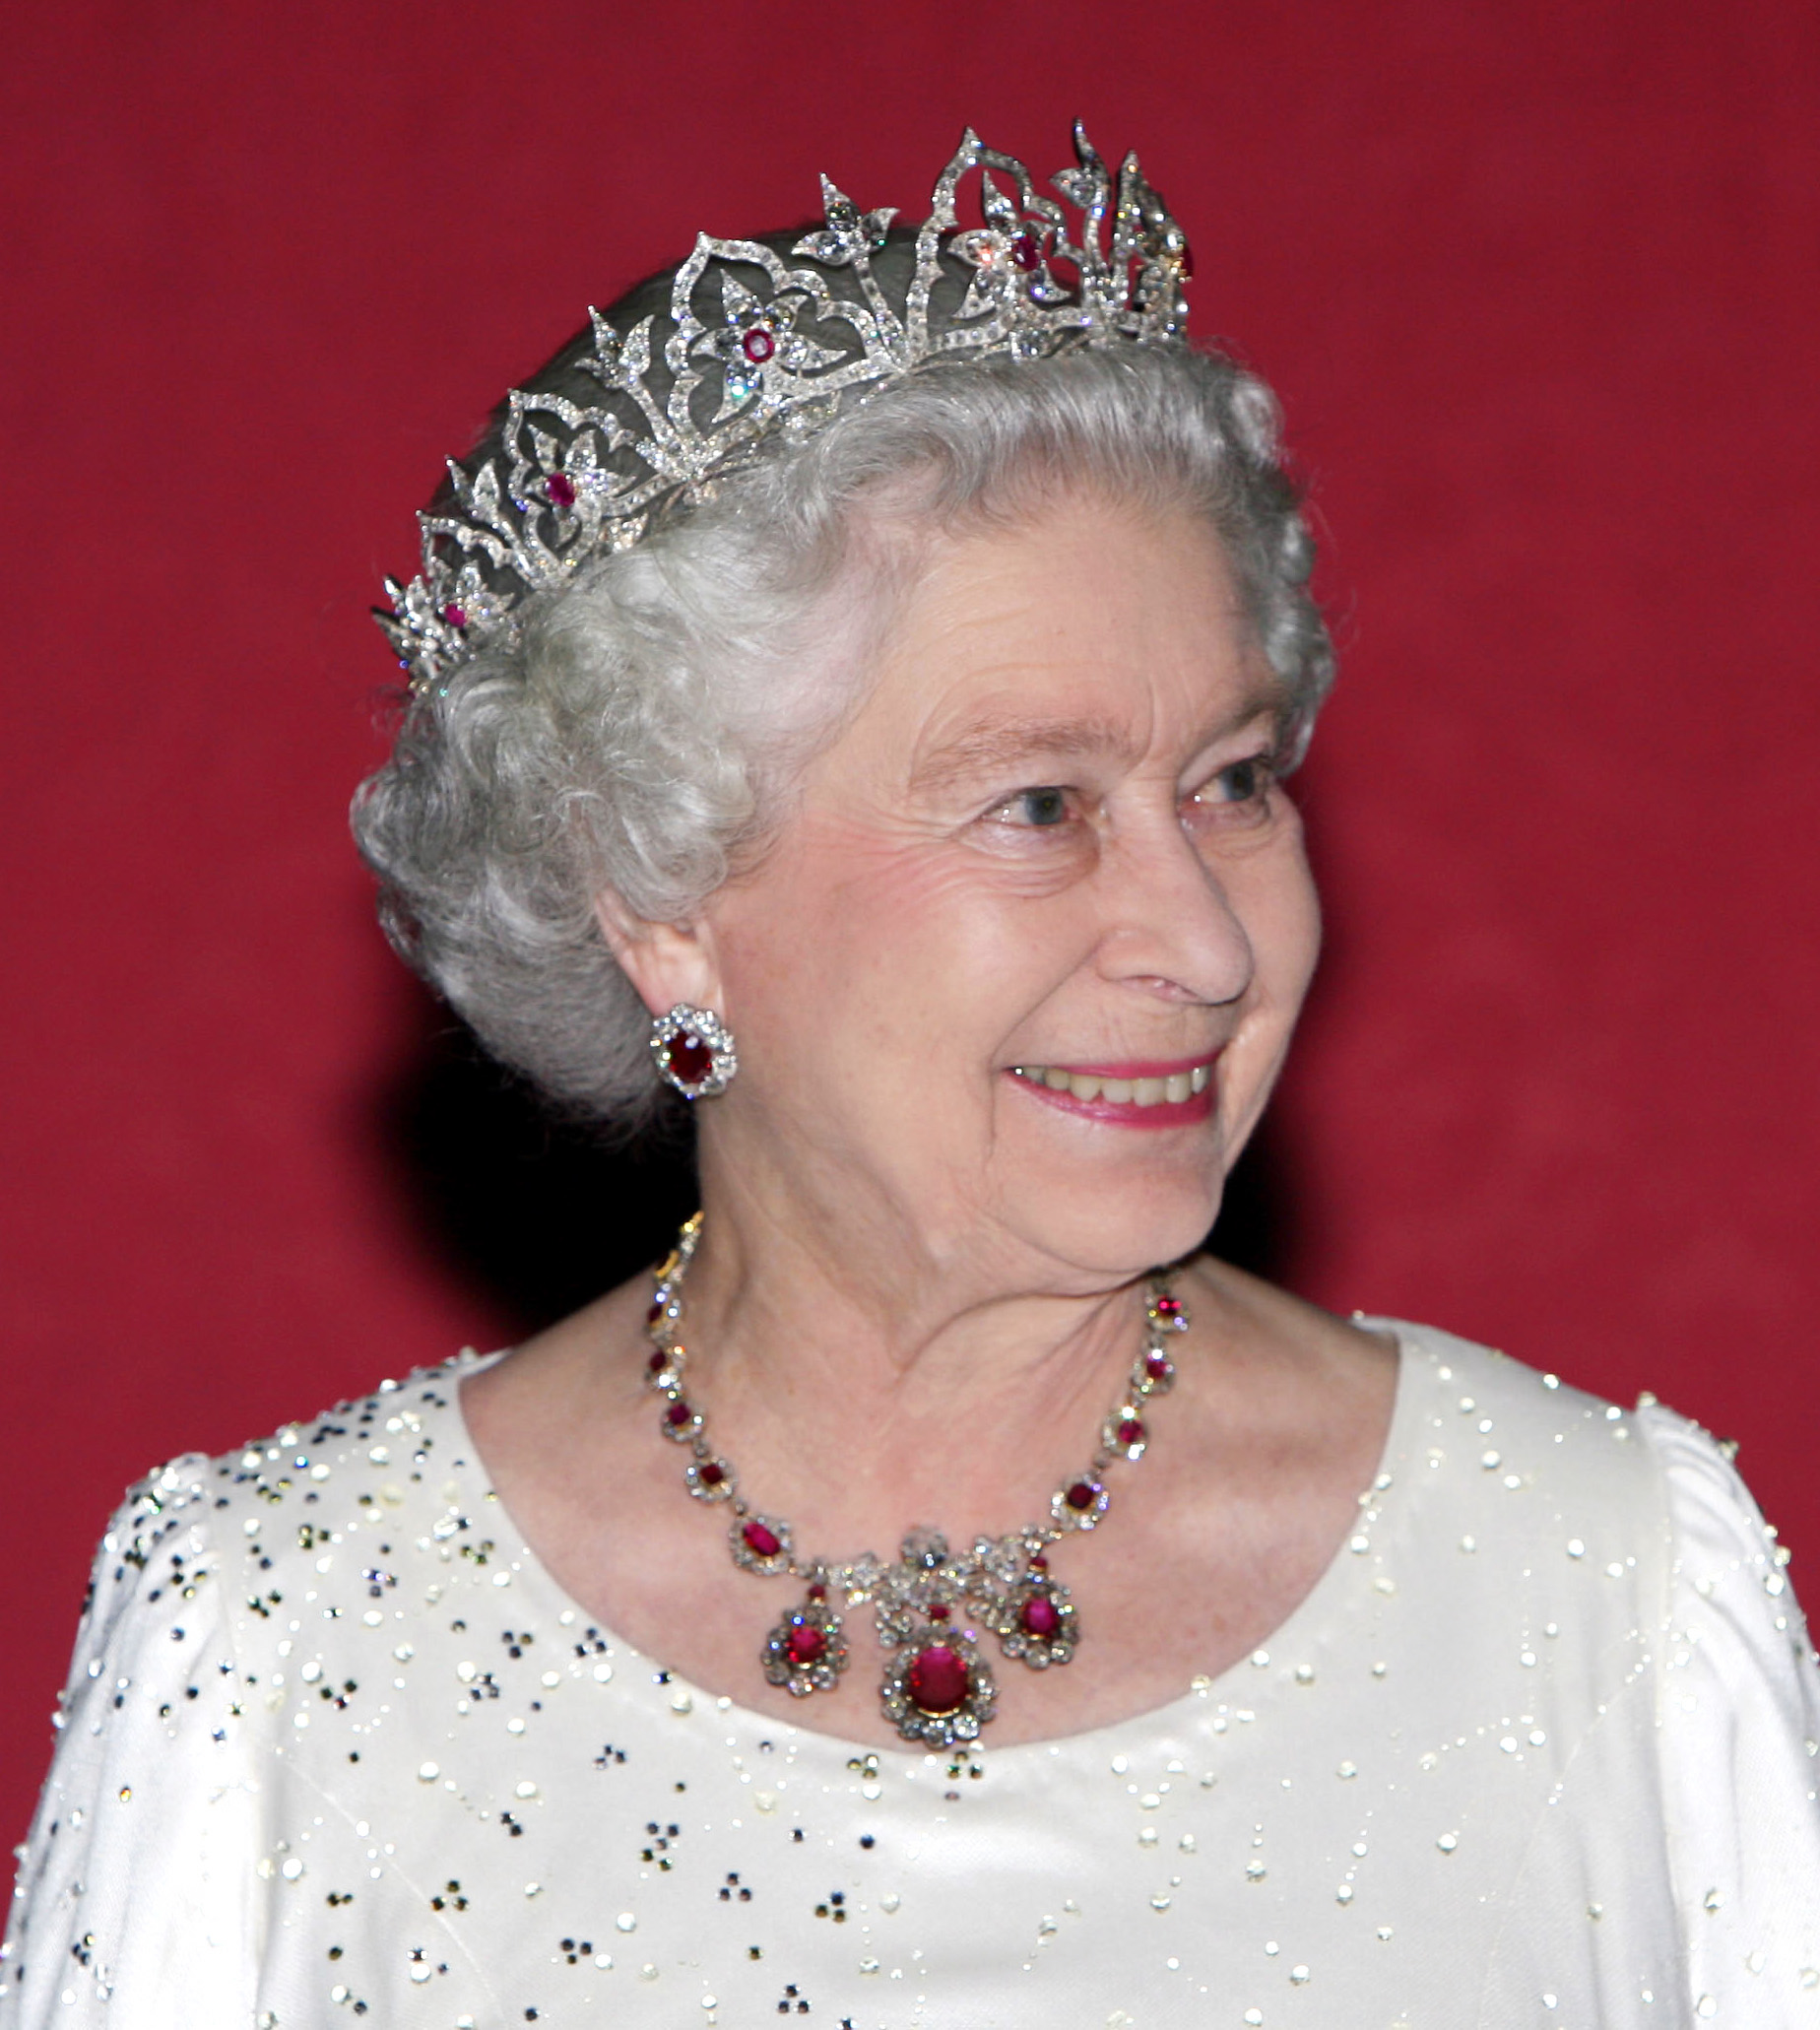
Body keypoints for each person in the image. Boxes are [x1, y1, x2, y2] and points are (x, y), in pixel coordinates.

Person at [5, 125, 1818, 2029]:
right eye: (1041, 805)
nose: (1209, 945)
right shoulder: (288, 1647)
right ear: (663, 898)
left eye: (1232, 781)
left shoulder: (1599, 1588)